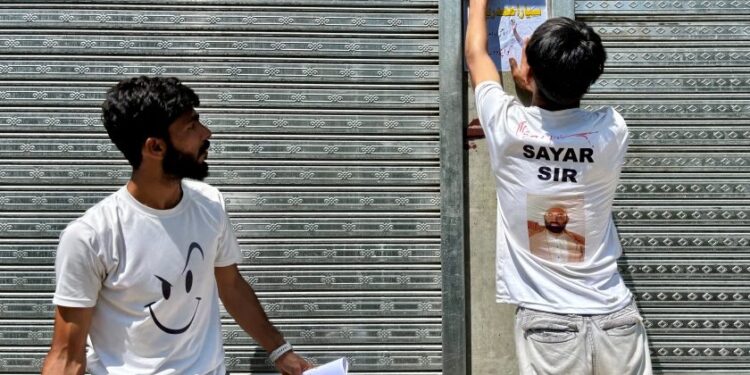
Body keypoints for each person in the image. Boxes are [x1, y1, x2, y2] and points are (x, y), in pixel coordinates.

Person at [42, 76, 313, 375]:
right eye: (191, 127)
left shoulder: (209, 205)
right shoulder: (91, 236)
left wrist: (280, 349)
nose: (206, 133)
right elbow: (67, 356)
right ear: (155, 148)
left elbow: (231, 285)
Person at [465, 1, 652, 374]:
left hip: (550, 324)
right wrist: (536, 88)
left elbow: (475, 54)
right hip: (616, 317)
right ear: (592, 76)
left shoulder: (504, 124)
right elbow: (564, 127)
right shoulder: (612, 129)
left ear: (529, 72)